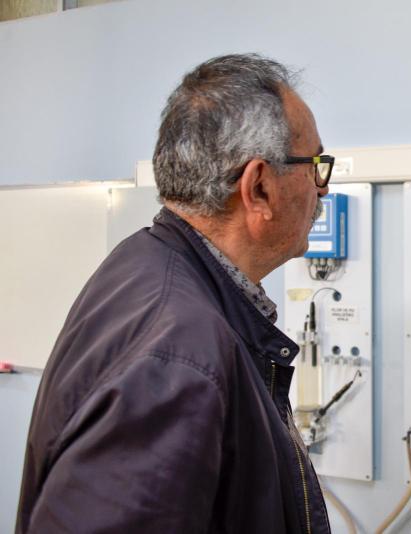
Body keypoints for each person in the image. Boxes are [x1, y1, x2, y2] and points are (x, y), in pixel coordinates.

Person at [16, 53, 333, 533]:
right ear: (259, 188)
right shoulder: (178, 355)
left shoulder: (144, 265)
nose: (321, 190)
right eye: (315, 166)